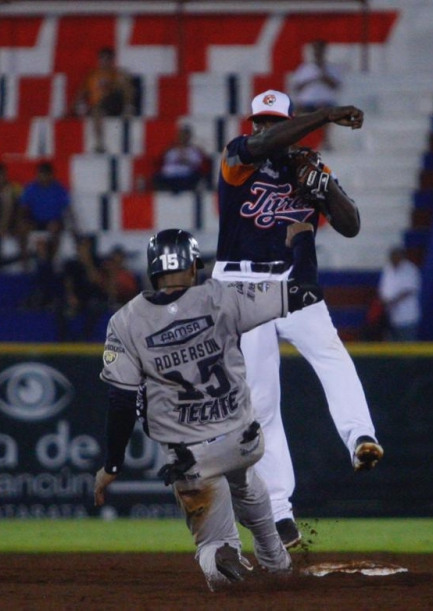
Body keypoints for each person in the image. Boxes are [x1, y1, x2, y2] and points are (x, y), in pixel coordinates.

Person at [94, 225, 324, 590]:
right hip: (242, 440)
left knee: (214, 543)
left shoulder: (124, 322)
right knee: (247, 484)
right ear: (193, 266)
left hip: (191, 458)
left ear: (154, 270)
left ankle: (221, 556)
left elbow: (121, 400)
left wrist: (112, 464)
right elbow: (306, 291)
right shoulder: (223, 296)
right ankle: (276, 562)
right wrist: (302, 240)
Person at [212, 89, 382, 548]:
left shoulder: (309, 170)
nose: (263, 129)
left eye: (272, 121)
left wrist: (325, 189)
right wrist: (324, 114)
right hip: (240, 287)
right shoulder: (236, 159)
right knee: (263, 404)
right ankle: (282, 518)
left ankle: (361, 437)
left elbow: (351, 225)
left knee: (332, 356)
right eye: (260, 122)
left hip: (294, 283)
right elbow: (263, 146)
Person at [73, 46, 136, 154]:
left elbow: (127, 87)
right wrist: (76, 106)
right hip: (98, 106)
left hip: (113, 102)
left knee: (124, 81)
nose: (105, 62)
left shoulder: (117, 73)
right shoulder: (92, 75)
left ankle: (128, 109)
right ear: (99, 60)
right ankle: (99, 143)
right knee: (96, 110)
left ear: (112, 60)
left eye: (108, 59)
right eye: (102, 59)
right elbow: (81, 93)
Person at [17, 161, 75, 268]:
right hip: (35, 220)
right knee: (21, 228)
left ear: (51, 175)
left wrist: (73, 226)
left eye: (44, 174)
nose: (41, 177)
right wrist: (24, 220)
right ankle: (24, 260)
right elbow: (23, 208)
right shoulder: (30, 188)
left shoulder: (59, 189)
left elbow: (67, 209)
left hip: (54, 221)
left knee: (55, 228)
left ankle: (51, 261)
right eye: (39, 174)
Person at [377, 246, 422, 341]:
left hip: (407, 317)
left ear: (401, 257)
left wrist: (393, 301)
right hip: (391, 317)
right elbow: (383, 288)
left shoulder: (410, 269)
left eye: (395, 256)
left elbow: (409, 290)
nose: (393, 258)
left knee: (408, 349)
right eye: (392, 256)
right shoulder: (388, 269)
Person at [152, 125, 212, 194]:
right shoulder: (170, 150)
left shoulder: (194, 151)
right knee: (157, 177)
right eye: (181, 135)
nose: (183, 137)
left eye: (185, 135)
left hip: (186, 176)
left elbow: (199, 165)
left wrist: (186, 161)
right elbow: (162, 162)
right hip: (170, 175)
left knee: (196, 177)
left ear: (189, 137)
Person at [289, 41, 342, 115]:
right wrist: (310, 80)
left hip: (326, 103)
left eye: (320, 50)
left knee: (330, 114)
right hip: (306, 103)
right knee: (294, 113)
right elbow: (296, 88)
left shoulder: (332, 68)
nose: (317, 53)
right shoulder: (304, 68)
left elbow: (335, 86)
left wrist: (323, 73)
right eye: (316, 50)